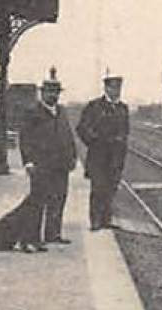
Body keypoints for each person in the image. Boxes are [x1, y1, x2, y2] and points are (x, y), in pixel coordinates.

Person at [18, 73, 79, 245]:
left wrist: (73, 156)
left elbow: (68, 135)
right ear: (42, 93)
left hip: (61, 165)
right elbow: (25, 139)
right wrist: (28, 162)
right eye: (49, 92)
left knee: (59, 199)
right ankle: (33, 238)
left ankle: (53, 234)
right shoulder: (33, 113)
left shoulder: (61, 112)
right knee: (38, 201)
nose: (53, 95)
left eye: (56, 92)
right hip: (41, 165)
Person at [75, 73, 130, 232]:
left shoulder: (123, 108)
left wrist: (121, 144)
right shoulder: (94, 106)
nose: (116, 91)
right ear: (106, 88)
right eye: (113, 87)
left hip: (116, 158)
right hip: (98, 156)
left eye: (118, 88)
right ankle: (95, 220)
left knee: (111, 188)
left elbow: (126, 131)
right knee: (98, 188)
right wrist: (94, 142)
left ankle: (106, 219)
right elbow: (81, 128)